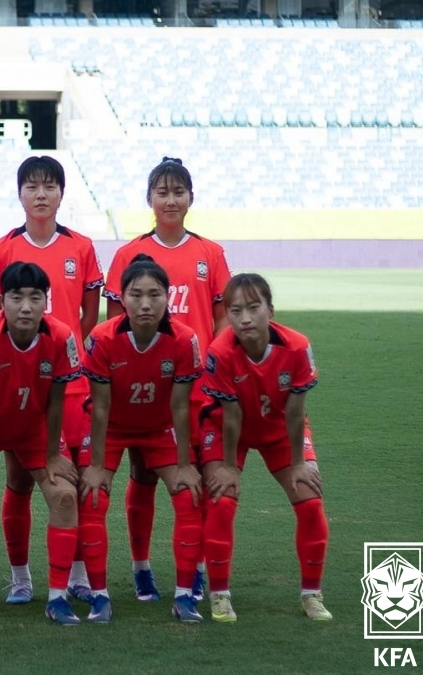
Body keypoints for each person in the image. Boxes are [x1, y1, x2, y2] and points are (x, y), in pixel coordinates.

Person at [0, 155, 103, 603]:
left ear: (62, 194)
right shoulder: (1, 248)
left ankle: (78, 574)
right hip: (15, 383)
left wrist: (64, 354)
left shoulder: (81, 247)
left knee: (72, 478)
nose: (41, 194)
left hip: (69, 384)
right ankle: (21, 576)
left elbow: (89, 315)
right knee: (20, 479)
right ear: (20, 193)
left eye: (49, 186)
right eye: (32, 186)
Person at [103, 157, 230, 603]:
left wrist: (214, 371)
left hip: (194, 389)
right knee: (142, 474)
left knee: (193, 476)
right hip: (143, 388)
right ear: (149, 199)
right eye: (162, 192)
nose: (171, 200)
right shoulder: (129, 254)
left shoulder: (210, 253)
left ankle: (194, 569)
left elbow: (222, 320)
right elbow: (113, 325)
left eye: (178, 192)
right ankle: (141, 568)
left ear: (191, 198)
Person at [0, 262, 88, 627]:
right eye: (16, 297)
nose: (25, 307)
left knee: (65, 496)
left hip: (32, 423)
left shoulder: (61, 336)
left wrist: (53, 455)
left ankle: (58, 598)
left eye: (34, 297)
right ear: (2, 301)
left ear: (46, 301)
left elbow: (56, 401)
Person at [80, 255, 206, 623]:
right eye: (136, 295)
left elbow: (180, 406)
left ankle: (184, 596)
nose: (145, 304)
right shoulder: (102, 338)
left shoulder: (184, 339)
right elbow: (100, 407)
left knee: (188, 494)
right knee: (93, 496)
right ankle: (100, 595)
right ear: (122, 298)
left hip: (158, 427)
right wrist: (96, 466)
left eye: (154, 294)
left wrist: (185, 464)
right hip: (111, 427)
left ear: (168, 296)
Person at [200, 273, 331, 623]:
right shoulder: (219, 352)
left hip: (279, 428)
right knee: (221, 500)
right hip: (227, 429)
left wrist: (299, 462)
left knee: (310, 501)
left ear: (270, 310)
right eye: (235, 310)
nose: (245, 318)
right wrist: (228, 467)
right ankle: (219, 595)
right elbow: (231, 417)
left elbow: (296, 411)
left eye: (253, 307)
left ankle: (312, 594)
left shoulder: (297, 346)